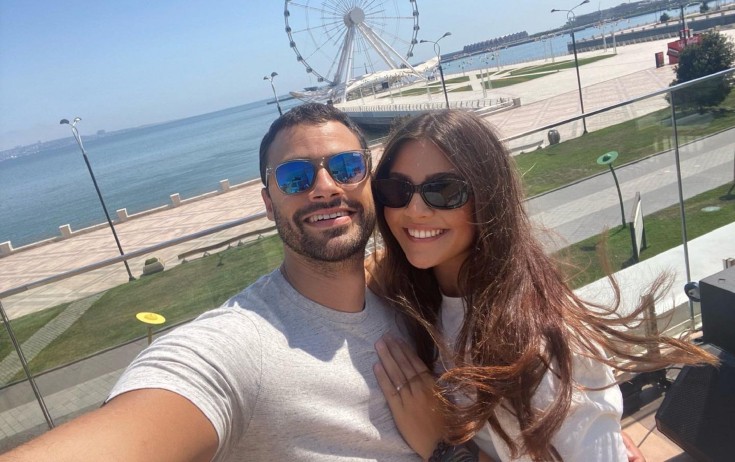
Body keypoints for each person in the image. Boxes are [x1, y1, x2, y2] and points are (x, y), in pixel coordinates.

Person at [0, 103, 422, 461]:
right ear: (268, 204)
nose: (325, 188)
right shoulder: (240, 348)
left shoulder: (406, 289)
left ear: (370, 181)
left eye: (347, 167)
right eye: (295, 177)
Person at [366, 110, 717, 461]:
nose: (414, 209)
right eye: (396, 189)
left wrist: (443, 449)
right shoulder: (424, 294)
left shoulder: (536, 344)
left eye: (444, 190)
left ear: (489, 197)